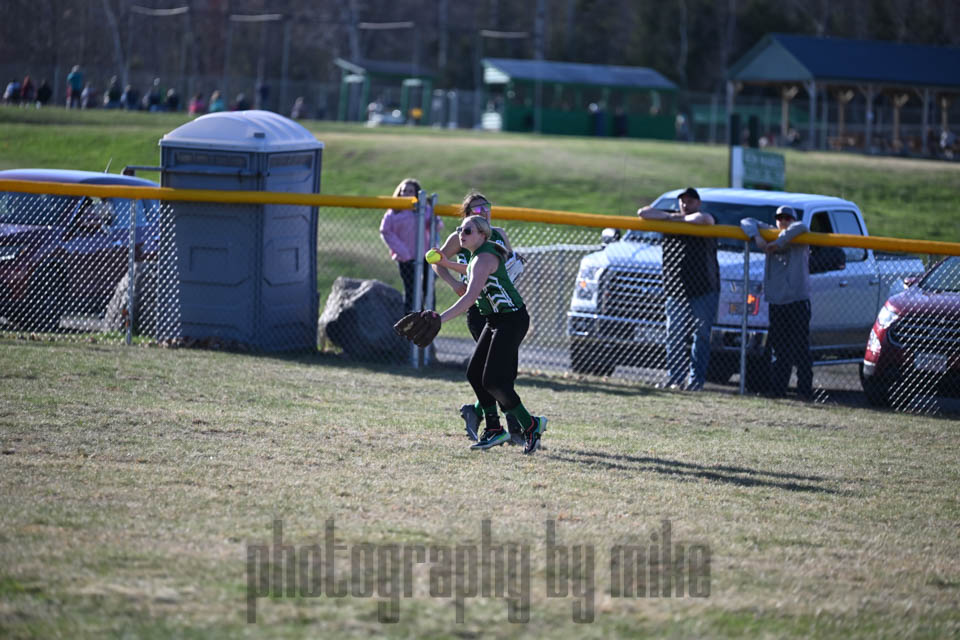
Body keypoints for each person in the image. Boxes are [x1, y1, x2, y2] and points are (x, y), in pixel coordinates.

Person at [434, 213, 546, 454]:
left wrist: (439, 319)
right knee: (475, 374)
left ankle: (531, 425)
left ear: (482, 235)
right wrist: (446, 263)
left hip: (511, 320)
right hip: (495, 319)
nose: (461, 234)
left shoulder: (484, 258)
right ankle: (494, 429)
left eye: (467, 231)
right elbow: (470, 269)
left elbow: (469, 298)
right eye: (460, 230)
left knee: (494, 381)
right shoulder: (478, 256)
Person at [429, 191, 525, 444]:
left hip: (503, 308)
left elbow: (505, 267)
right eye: (477, 209)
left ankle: (479, 413)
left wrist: (516, 264)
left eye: (487, 207)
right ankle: (511, 428)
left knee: (504, 369)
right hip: (477, 308)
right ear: (468, 214)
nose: (485, 212)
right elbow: (438, 261)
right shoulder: (462, 235)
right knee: (493, 371)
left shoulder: (499, 234)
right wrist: (454, 284)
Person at [637, 187, 719, 391]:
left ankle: (696, 381)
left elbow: (704, 219)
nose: (685, 204)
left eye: (690, 201)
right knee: (673, 334)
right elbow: (643, 212)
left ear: (698, 203)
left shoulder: (703, 217)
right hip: (676, 288)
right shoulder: (671, 218)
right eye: (682, 200)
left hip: (704, 287)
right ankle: (675, 379)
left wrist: (674, 219)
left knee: (701, 335)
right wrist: (672, 217)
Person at [740, 205, 813, 399]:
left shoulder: (799, 234)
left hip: (797, 301)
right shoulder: (770, 233)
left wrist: (778, 243)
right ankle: (779, 390)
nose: (783, 221)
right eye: (780, 218)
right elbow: (746, 221)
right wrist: (758, 238)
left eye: (787, 218)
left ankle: (804, 391)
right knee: (780, 350)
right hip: (777, 302)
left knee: (801, 349)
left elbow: (801, 226)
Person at [379, 179, 443, 314]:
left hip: (425, 255)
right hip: (405, 258)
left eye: (410, 191)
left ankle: (430, 318)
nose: (407, 194)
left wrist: (435, 220)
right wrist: (403, 251)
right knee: (411, 290)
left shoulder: (423, 208)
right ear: (399, 193)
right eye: (404, 191)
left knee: (428, 288)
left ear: (416, 194)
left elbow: (437, 226)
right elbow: (385, 231)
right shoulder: (393, 212)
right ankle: (410, 319)